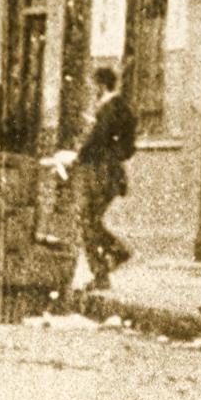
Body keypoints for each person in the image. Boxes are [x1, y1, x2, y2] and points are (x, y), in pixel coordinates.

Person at [54, 66, 136, 291]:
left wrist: (77, 156)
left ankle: (105, 268)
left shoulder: (108, 109)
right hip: (112, 171)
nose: (93, 90)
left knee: (86, 221)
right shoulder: (123, 108)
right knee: (91, 220)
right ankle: (114, 257)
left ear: (101, 85)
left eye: (94, 86)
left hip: (100, 171)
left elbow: (97, 140)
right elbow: (129, 147)